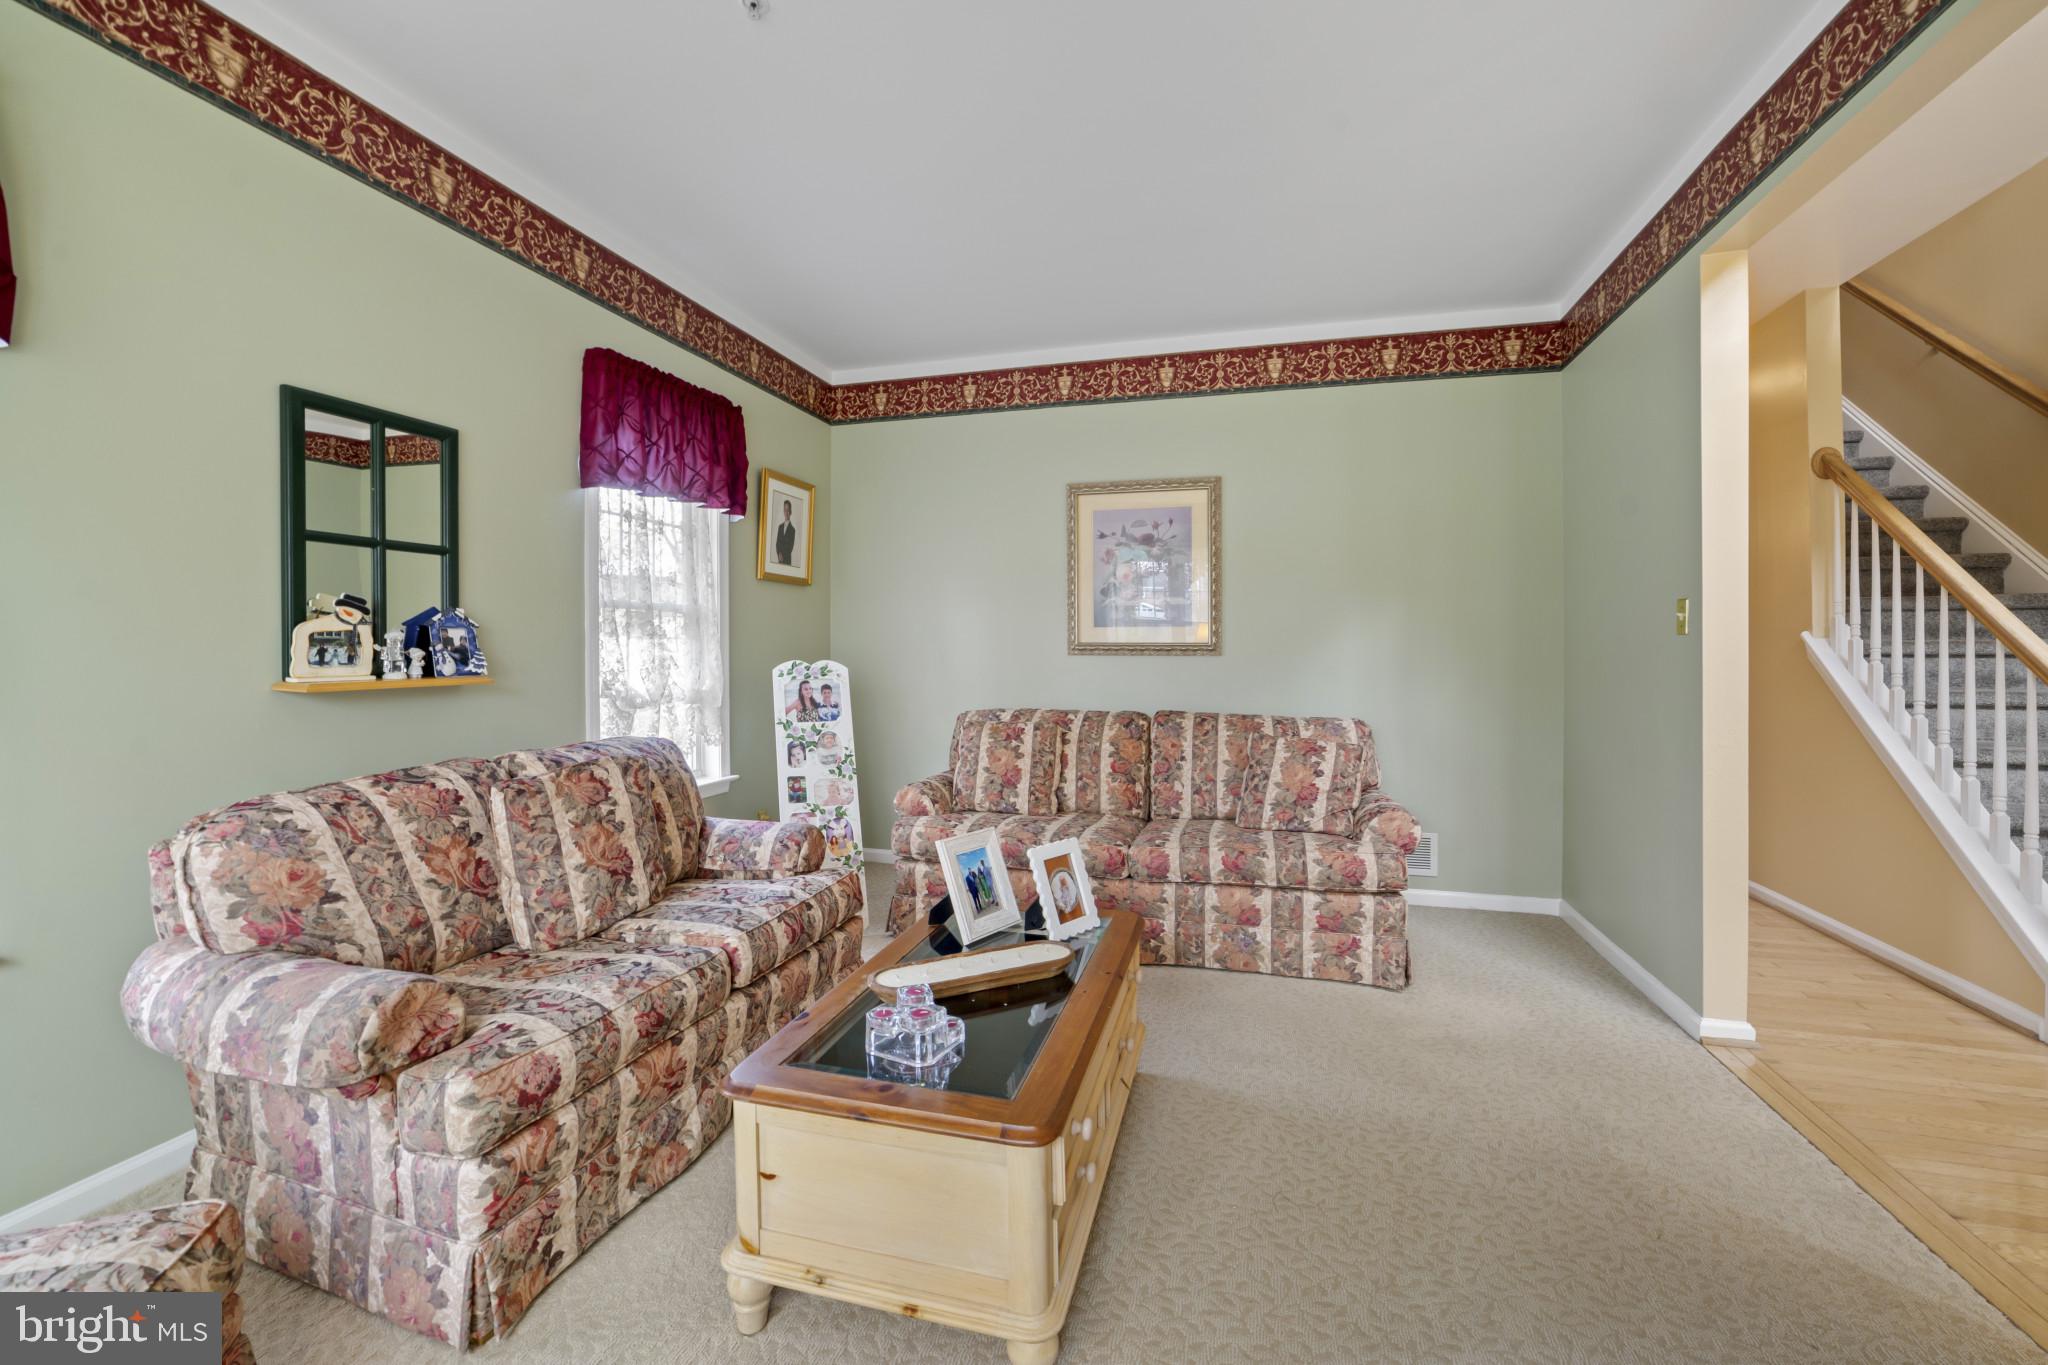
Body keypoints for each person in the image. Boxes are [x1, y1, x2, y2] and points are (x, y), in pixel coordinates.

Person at [774, 498, 798, 566]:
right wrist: (779, 553)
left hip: (787, 561)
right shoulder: (780, 527)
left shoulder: (792, 530)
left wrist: (783, 556)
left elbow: (790, 547)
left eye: (788, 510)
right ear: (783, 511)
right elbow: (777, 543)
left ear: (790, 512)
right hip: (779, 561)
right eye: (785, 510)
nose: (786, 512)